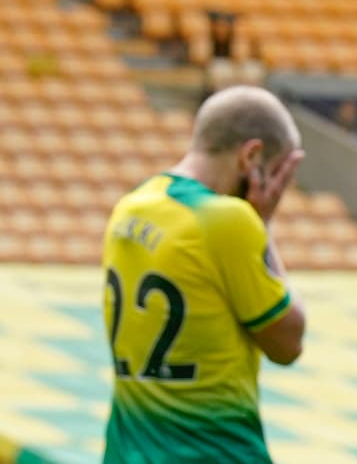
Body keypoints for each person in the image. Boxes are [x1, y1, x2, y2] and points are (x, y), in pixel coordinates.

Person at [101, 85, 306, 463]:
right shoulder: (228, 220)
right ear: (252, 156)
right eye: (276, 176)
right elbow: (288, 341)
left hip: (125, 451)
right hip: (213, 453)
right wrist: (264, 226)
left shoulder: (130, 208)